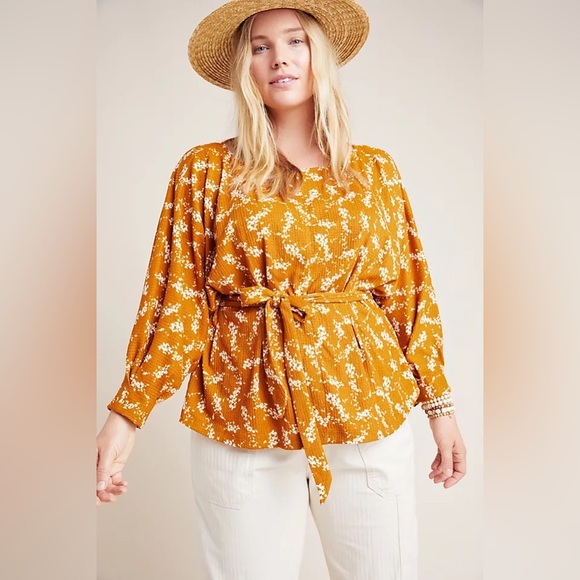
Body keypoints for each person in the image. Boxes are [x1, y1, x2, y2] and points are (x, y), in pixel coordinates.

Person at [96, 1, 467, 578]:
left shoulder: (374, 173)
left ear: (321, 55)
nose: (280, 59)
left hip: (363, 415)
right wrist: (127, 414)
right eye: (260, 46)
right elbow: (177, 300)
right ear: (244, 66)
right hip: (240, 420)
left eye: (296, 41)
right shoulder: (205, 172)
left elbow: (409, 295)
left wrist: (439, 408)